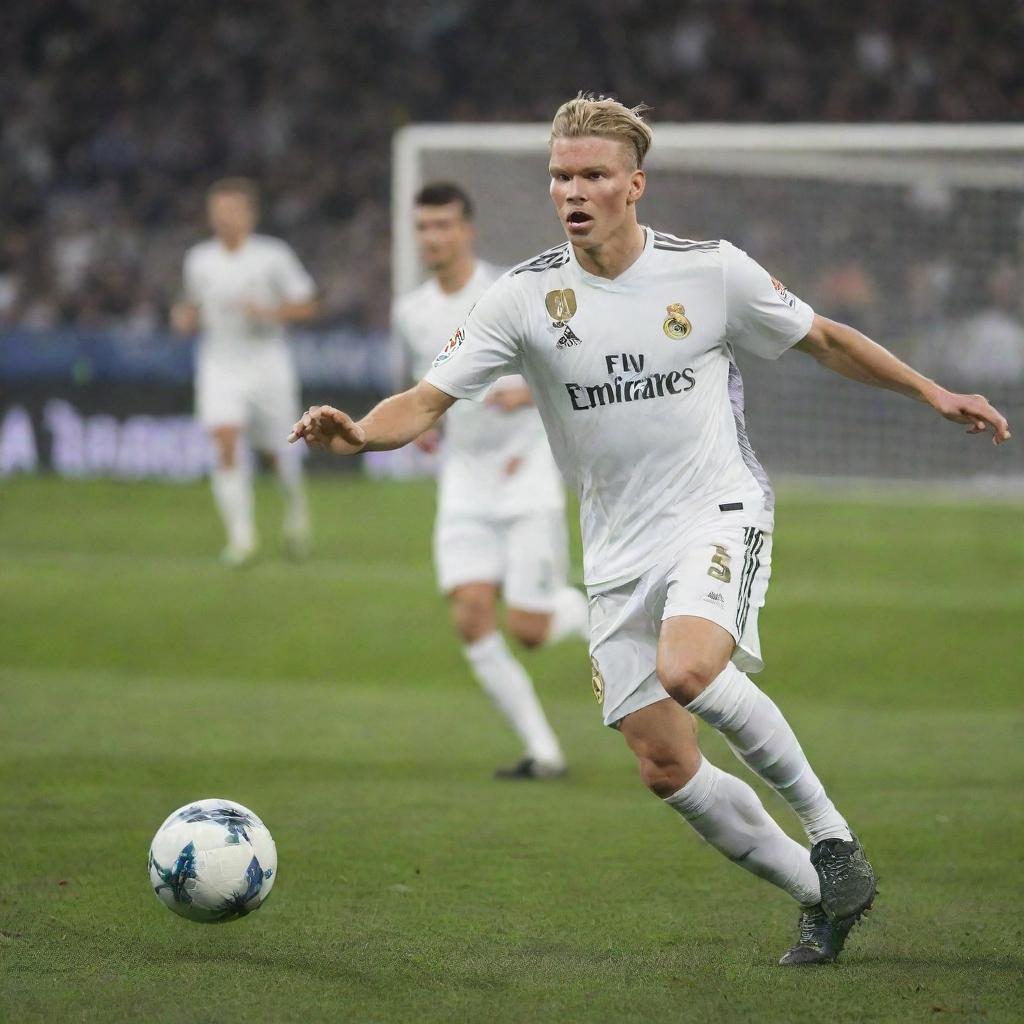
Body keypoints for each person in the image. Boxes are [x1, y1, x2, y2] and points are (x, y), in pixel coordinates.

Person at [290, 96, 1011, 964]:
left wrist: (933, 392)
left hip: (717, 505)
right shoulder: (521, 298)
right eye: (561, 176)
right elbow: (427, 398)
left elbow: (821, 338)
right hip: (615, 546)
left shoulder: (708, 272)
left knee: (690, 669)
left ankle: (832, 837)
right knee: (664, 765)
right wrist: (363, 431)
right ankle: (823, 895)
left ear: (635, 184)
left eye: (593, 174)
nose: (574, 190)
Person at [392, 182, 589, 779]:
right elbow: (431, 389)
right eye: (424, 227)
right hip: (464, 481)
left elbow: (573, 366)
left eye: (444, 226)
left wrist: (525, 392)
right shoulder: (411, 312)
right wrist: (428, 429)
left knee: (529, 630)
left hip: (525, 473)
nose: (433, 238)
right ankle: (544, 751)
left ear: (467, 230)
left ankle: (588, 610)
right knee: (471, 616)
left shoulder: (511, 292)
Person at [171, 178, 318, 565]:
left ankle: (296, 508)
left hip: (267, 363)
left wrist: (269, 313)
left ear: (250, 216)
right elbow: (190, 306)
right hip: (219, 363)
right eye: (218, 211)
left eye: (232, 210)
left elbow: (307, 306)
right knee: (225, 439)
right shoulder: (198, 260)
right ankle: (242, 538)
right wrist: (184, 317)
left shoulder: (273, 256)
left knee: (278, 452)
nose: (224, 218)